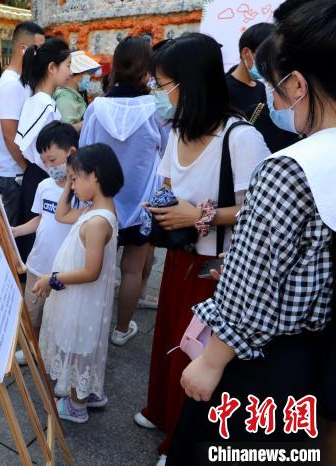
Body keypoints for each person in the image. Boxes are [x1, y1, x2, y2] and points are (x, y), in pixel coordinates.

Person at [168, 1, 336, 463]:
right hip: (312, 362)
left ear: (298, 85)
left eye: (274, 87)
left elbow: (252, 291)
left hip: (262, 364)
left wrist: (211, 361)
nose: (273, 101)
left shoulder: (287, 169)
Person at [134, 33, 271, 466]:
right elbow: (171, 187)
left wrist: (199, 215)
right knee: (171, 343)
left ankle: (183, 439)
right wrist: (160, 206)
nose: (157, 94)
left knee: (198, 353)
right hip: (180, 257)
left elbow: (257, 210)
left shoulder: (241, 138)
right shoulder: (177, 131)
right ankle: (163, 413)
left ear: (190, 84)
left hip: (219, 268)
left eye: (163, 84)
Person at [79, 36, 168, 347]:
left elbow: (83, 151)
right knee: (132, 270)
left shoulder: (96, 107)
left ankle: (91, 329)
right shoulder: (158, 108)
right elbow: (168, 151)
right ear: (148, 68)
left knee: (94, 266)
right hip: (141, 202)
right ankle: (120, 329)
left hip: (101, 202)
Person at [34, 143, 123, 423]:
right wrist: (67, 187)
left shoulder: (97, 222)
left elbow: (91, 271)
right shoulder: (94, 210)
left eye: (74, 179)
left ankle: (77, 404)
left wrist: (53, 278)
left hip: (83, 297)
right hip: (84, 297)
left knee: (79, 343)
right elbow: (61, 216)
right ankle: (86, 390)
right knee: (81, 343)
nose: (71, 186)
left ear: (93, 175)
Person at [12, 121, 78, 345]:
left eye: (53, 160)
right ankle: (33, 347)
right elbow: (40, 218)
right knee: (32, 311)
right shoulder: (44, 186)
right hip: (37, 264)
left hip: (65, 269)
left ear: (71, 153)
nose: (49, 165)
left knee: (59, 315)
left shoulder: (81, 192)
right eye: (43, 161)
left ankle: (51, 349)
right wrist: (15, 231)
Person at [15, 37, 72, 263]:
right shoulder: (45, 104)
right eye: (67, 65)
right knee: (39, 242)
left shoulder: (36, 100)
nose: (70, 71)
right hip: (45, 178)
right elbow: (40, 151)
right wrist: (58, 175)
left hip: (35, 176)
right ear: (51, 67)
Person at [0, 22, 46, 226]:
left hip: (17, 172)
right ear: (24, 49)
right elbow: (9, 134)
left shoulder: (19, 81)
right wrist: (27, 169)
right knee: (12, 235)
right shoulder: (11, 84)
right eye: (37, 49)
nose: (40, 55)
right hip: (12, 174)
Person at [226, 23, 299, 152]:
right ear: (246, 53)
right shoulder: (224, 88)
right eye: (264, 57)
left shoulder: (261, 87)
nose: (271, 63)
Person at [53, 51, 100, 131]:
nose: (89, 77)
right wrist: (86, 122)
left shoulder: (73, 94)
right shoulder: (65, 97)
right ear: (76, 75)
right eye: (87, 73)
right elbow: (65, 130)